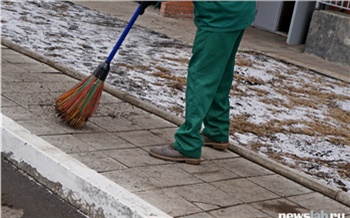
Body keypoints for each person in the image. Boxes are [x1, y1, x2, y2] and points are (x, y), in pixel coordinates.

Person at [139, 1, 256, 165]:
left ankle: (187, 144)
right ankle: (216, 130)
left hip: (219, 14)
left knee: (201, 78)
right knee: (220, 75)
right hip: (239, 9)